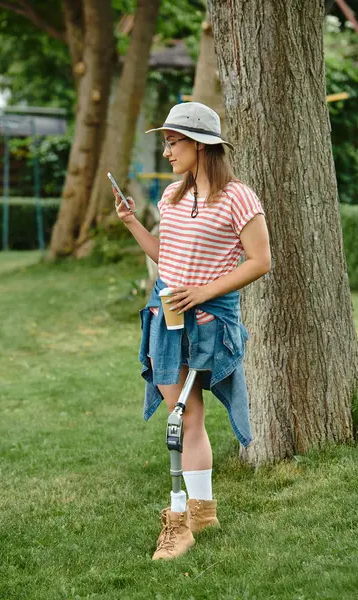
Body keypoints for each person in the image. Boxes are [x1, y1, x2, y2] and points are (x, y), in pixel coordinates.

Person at [113, 102, 271, 561]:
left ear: (200, 145)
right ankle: (203, 510)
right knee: (185, 413)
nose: (166, 151)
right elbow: (168, 256)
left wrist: (202, 293)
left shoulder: (240, 197)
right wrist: (130, 223)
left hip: (205, 320)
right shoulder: (173, 195)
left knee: (182, 417)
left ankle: (181, 517)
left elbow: (261, 261)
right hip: (166, 318)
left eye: (172, 141)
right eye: (166, 141)